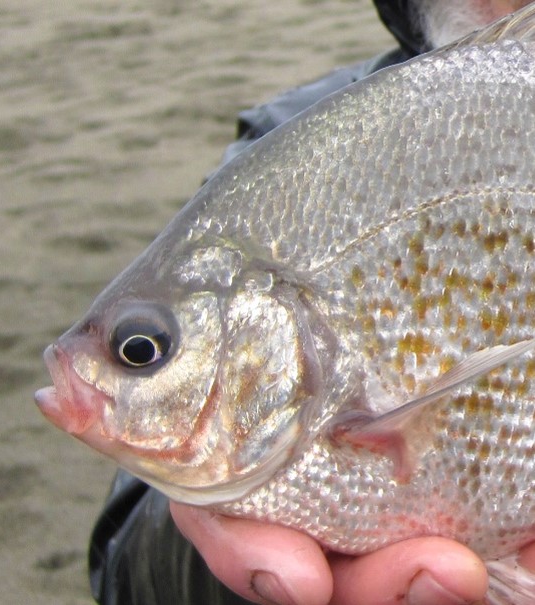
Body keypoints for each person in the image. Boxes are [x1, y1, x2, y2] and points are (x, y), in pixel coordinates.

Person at [89, 1, 535, 604]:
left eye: (142, 349)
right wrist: (218, 573)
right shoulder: (280, 159)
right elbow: (124, 572)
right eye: (143, 350)